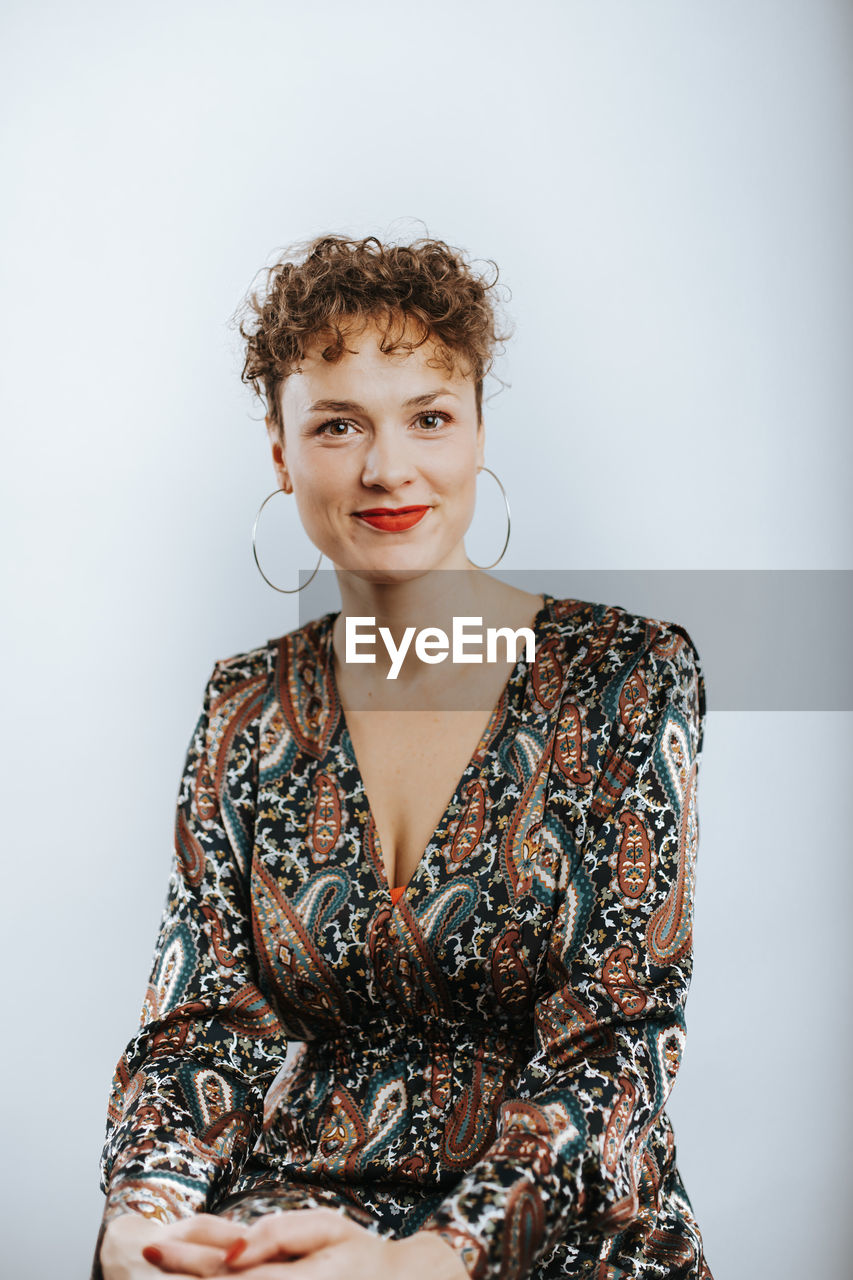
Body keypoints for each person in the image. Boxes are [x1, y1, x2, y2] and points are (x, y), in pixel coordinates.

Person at [93, 233, 714, 1280]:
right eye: (339, 425)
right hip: (291, 1222)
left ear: (475, 430)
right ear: (281, 450)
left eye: (428, 416)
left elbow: (617, 1043)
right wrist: (143, 1223)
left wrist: (427, 1256)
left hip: (552, 1236)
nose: (389, 468)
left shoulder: (624, 672)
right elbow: (202, 1029)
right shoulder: (244, 705)